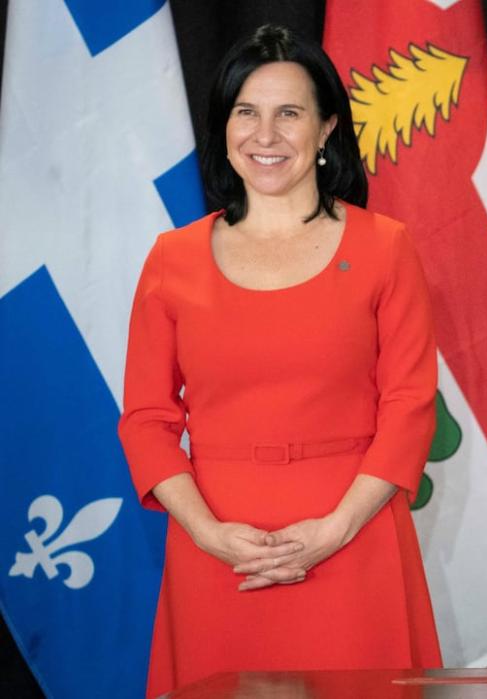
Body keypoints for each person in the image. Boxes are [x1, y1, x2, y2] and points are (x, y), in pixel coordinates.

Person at [118, 25, 440, 696]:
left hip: (353, 545)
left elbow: (410, 405)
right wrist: (208, 532)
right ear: (223, 126)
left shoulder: (386, 247)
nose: (266, 134)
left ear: (326, 128)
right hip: (217, 552)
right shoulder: (171, 259)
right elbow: (147, 419)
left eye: (288, 112)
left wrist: (334, 529)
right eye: (246, 111)